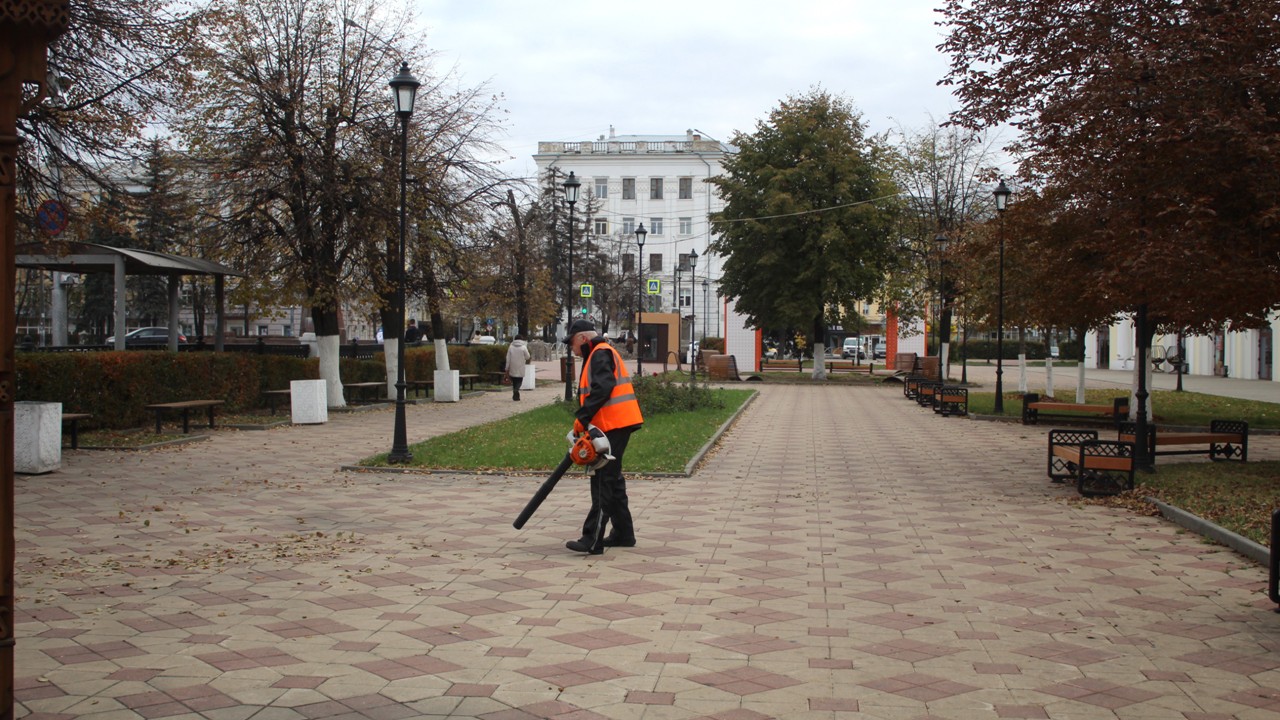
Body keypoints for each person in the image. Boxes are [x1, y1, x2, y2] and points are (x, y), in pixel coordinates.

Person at [563, 319, 644, 555]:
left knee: (603, 479)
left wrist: (582, 417)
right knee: (612, 478)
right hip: (616, 423)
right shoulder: (598, 353)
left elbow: (603, 387)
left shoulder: (599, 353)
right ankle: (623, 533)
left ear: (583, 339)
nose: (572, 349)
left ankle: (592, 539)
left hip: (614, 424)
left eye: (572, 343)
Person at [506, 334, 531, 401]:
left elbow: (508, 358)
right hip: (520, 366)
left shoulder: (511, 347)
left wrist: (507, 368)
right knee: (519, 380)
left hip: (512, 366)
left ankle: (515, 395)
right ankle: (516, 390)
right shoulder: (523, 347)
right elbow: (528, 356)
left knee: (514, 380)